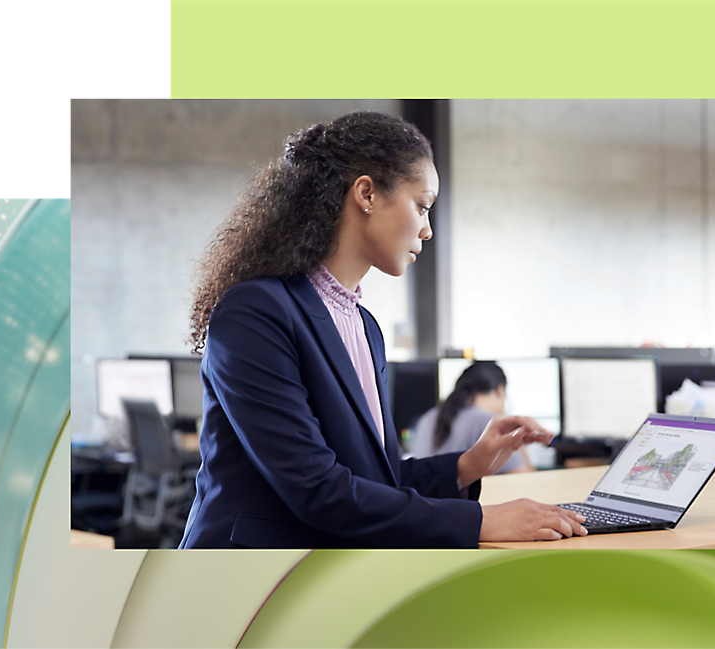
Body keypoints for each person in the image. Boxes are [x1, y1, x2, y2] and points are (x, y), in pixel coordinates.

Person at [178, 112, 586, 548]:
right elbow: (318, 490)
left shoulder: (363, 326)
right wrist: (480, 521)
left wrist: (468, 464)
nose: (427, 230)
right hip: (246, 582)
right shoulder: (256, 312)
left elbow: (374, 480)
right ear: (367, 193)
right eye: (422, 205)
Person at [409, 361, 533, 474]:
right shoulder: (489, 422)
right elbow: (524, 478)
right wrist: (517, 440)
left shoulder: (428, 417)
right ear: (499, 391)